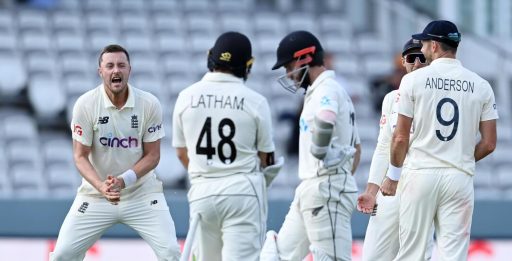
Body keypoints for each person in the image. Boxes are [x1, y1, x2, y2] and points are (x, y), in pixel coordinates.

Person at [380, 20, 498, 260]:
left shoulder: (413, 81)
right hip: (459, 177)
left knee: (412, 253)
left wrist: (392, 177)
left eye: (423, 43)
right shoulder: (481, 85)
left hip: (420, 174)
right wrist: (461, 158)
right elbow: (489, 143)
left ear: (434, 45)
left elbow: (400, 136)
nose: (422, 49)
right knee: (453, 255)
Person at [50, 44, 181, 261]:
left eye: (121, 65)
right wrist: (101, 186)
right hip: (96, 194)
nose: (116, 70)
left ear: (130, 69)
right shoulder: (85, 104)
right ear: (100, 71)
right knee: (62, 255)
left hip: (141, 193)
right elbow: (80, 156)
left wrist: (123, 180)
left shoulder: (149, 104)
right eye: (109, 66)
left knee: (171, 253)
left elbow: (153, 155)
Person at [172, 32, 283, 261]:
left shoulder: (185, 97)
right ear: (247, 65)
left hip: (202, 192)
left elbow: (182, 153)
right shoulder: (255, 101)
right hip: (242, 192)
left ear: (210, 57)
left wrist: (207, 172)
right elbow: (266, 159)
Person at [260, 31, 358, 261]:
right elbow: (358, 150)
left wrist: (322, 154)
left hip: (325, 188)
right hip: (313, 189)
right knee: (277, 255)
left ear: (305, 58)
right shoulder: (320, 92)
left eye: (288, 67)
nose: (288, 74)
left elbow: (326, 119)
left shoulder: (327, 89)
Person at [357, 39, 435, 261]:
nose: (418, 63)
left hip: (421, 185)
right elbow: (384, 146)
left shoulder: (437, 97)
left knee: (416, 256)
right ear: (404, 62)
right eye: (412, 58)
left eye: (423, 58)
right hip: (390, 188)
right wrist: (372, 191)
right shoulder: (392, 98)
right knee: (373, 255)